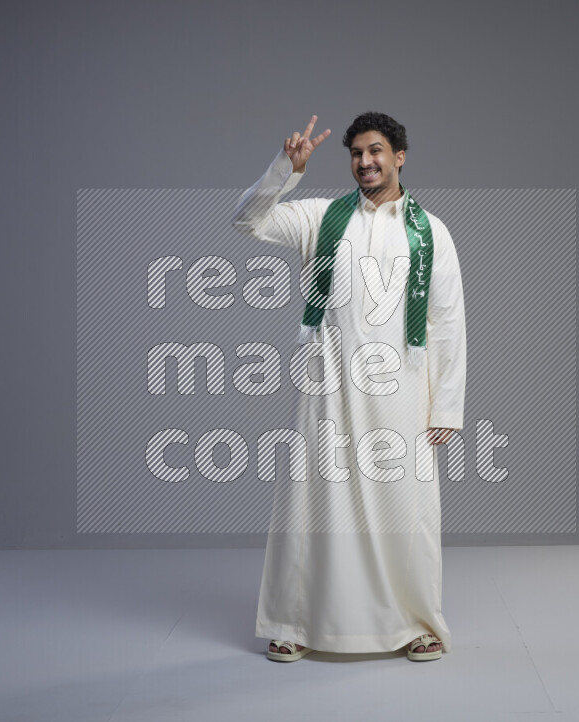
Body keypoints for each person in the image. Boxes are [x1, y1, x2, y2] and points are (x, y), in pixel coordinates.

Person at [231, 112, 466, 662]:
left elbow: (447, 321)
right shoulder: (320, 218)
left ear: (400, 156)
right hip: (328, 388)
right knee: (312, 503)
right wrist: (283, 173)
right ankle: (294, 622)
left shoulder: (431, 232)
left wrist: (446, 404)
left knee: (406, 508)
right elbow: (247, 222)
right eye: (357, 153)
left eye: (377, 150)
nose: (366, 161)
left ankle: (416, 623)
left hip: (402, 391)